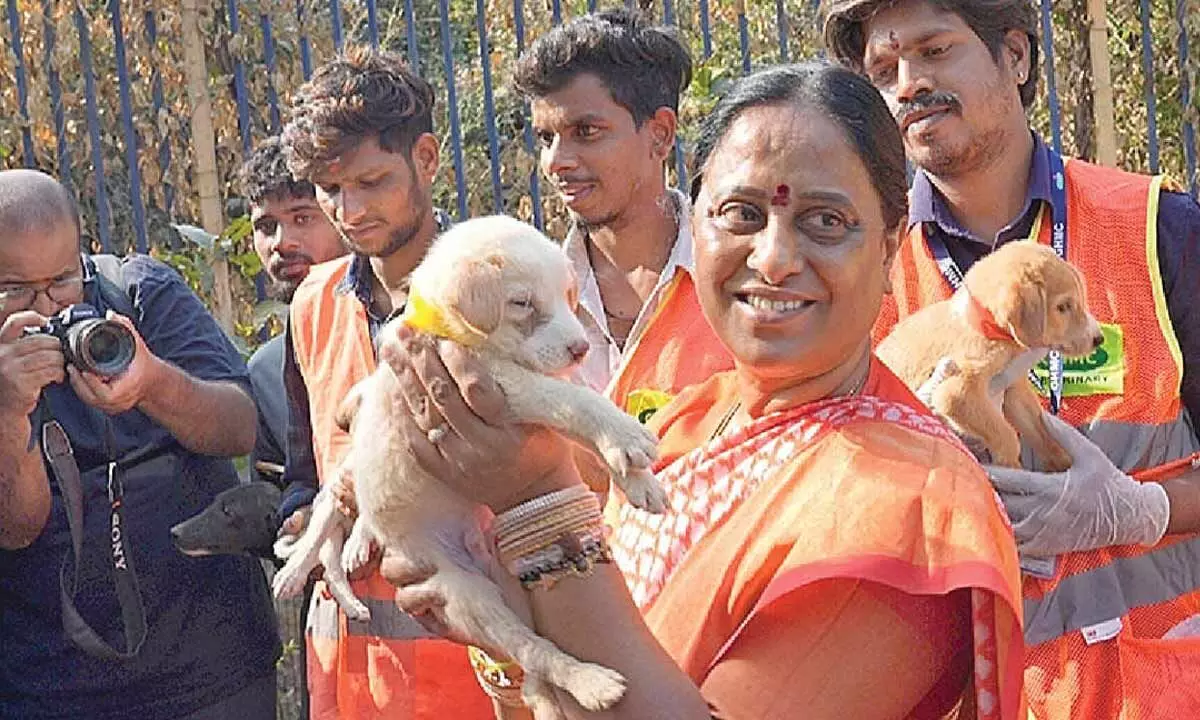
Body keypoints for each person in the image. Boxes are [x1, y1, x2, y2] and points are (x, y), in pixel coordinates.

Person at [377, 63, 1026, 719]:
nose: (773, 258)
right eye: (741, 213)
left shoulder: (910, 509)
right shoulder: (689, 421)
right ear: (697, 228)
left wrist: (537, 504)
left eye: (826, 221)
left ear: (889, 252)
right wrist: (505, 618)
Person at [822, 0, 1200, 715]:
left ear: (1017, 57)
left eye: (935, 51)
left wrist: (1145, 510)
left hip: (1161, 690)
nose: (907, 84)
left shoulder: (1158, 230)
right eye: (884, 69)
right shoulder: (862, 268)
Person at [0, 169, 279, 718]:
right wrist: (10, 411)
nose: (48, 308)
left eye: (62, 281)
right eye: (15, 291)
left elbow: (239, 427)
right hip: (51, 692)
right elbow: (16, 527)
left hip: (215, 674)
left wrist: (152, 383)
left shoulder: (139, 294)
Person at [278, 46, 493, 718]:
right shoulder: (312, 302)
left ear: (426, 159)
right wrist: (303, 512)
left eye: (372, 182)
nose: (349, 209)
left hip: (475, 672)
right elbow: (301, 462)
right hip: (347, 675)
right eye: (329, 189)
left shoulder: (492, 290)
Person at [514, 8, 731, 422]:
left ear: (661, 133)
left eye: (586, 132)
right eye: (546, 138)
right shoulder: (525, 297)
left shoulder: (737, 273)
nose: (556, 161)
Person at [238, 136, 345, 495]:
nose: (282, 242)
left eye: (302, 218)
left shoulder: (401, 325)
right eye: (266, 227)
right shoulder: (267, 373)